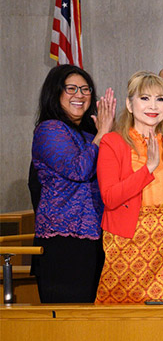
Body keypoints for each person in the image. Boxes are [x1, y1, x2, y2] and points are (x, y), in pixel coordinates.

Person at [96, 72, 163, 304]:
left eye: (160, 99)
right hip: (125, 240)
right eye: (144, 98)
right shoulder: (113, 142)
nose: (153, 106)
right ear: (130, 104)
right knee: (120, 315)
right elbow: (110, 198)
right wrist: (148, 169)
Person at [30, 65, 115, 303]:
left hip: (95, 236)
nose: (80, 95)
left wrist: (106, 135)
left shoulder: (89, 134)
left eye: (86, 89)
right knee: (68, 322)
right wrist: (102, 135)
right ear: (55, 93)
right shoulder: (49, 130)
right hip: (63, 239)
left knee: (92, 319)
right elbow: (78, 169)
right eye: (71, 88)